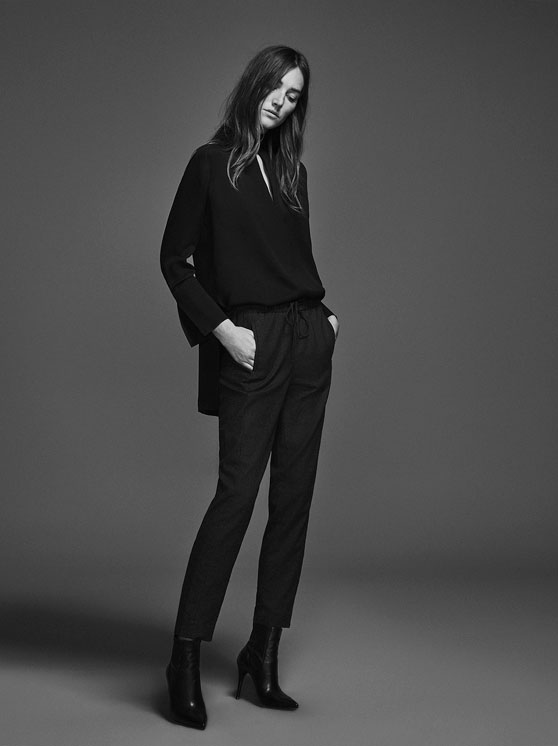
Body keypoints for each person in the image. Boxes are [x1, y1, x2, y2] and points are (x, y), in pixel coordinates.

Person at [160, 44, 339, 729]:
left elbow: (295, 261)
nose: (282, 103)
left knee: (293, 498)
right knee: (236, 495)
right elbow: (174, 260)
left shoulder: (293, 173)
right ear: (253, 85)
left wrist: (325, 319)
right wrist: (223, 332)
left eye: (294, 96)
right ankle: (183, 657)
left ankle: (263, 652)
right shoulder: (210, 164)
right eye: (276, 89)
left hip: (306, 339)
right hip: (251, 341)